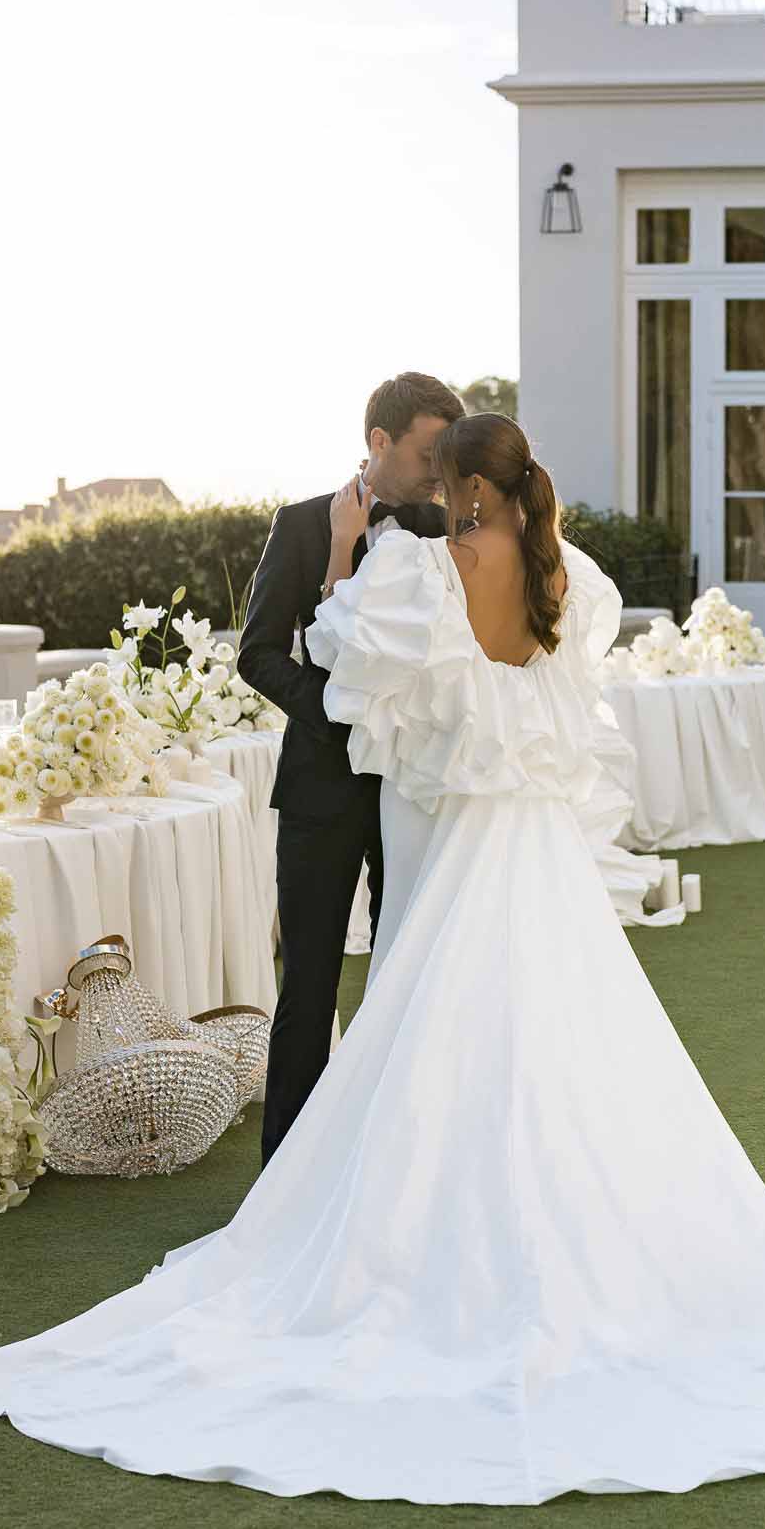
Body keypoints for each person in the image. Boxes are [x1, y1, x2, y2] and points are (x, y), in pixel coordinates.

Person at [0, 413, 765, 1505]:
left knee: (438, 1039)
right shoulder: (564, 574)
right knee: (573, 1045)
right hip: (542, 858)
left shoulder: (423, 573)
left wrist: (350, 551)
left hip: (466, 847)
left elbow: (331, 651)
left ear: (461, 479)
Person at [237, 371, 463, 1164]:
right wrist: (338, 709)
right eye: (428, 452)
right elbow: (257, 655)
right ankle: (284, 1177)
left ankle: (391, 1167)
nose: (439, 470)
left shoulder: (446, 530)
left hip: (411, 786)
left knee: (407, 974)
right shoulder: (300, 525)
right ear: (379, 441)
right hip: (320, 789)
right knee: (309, 987)